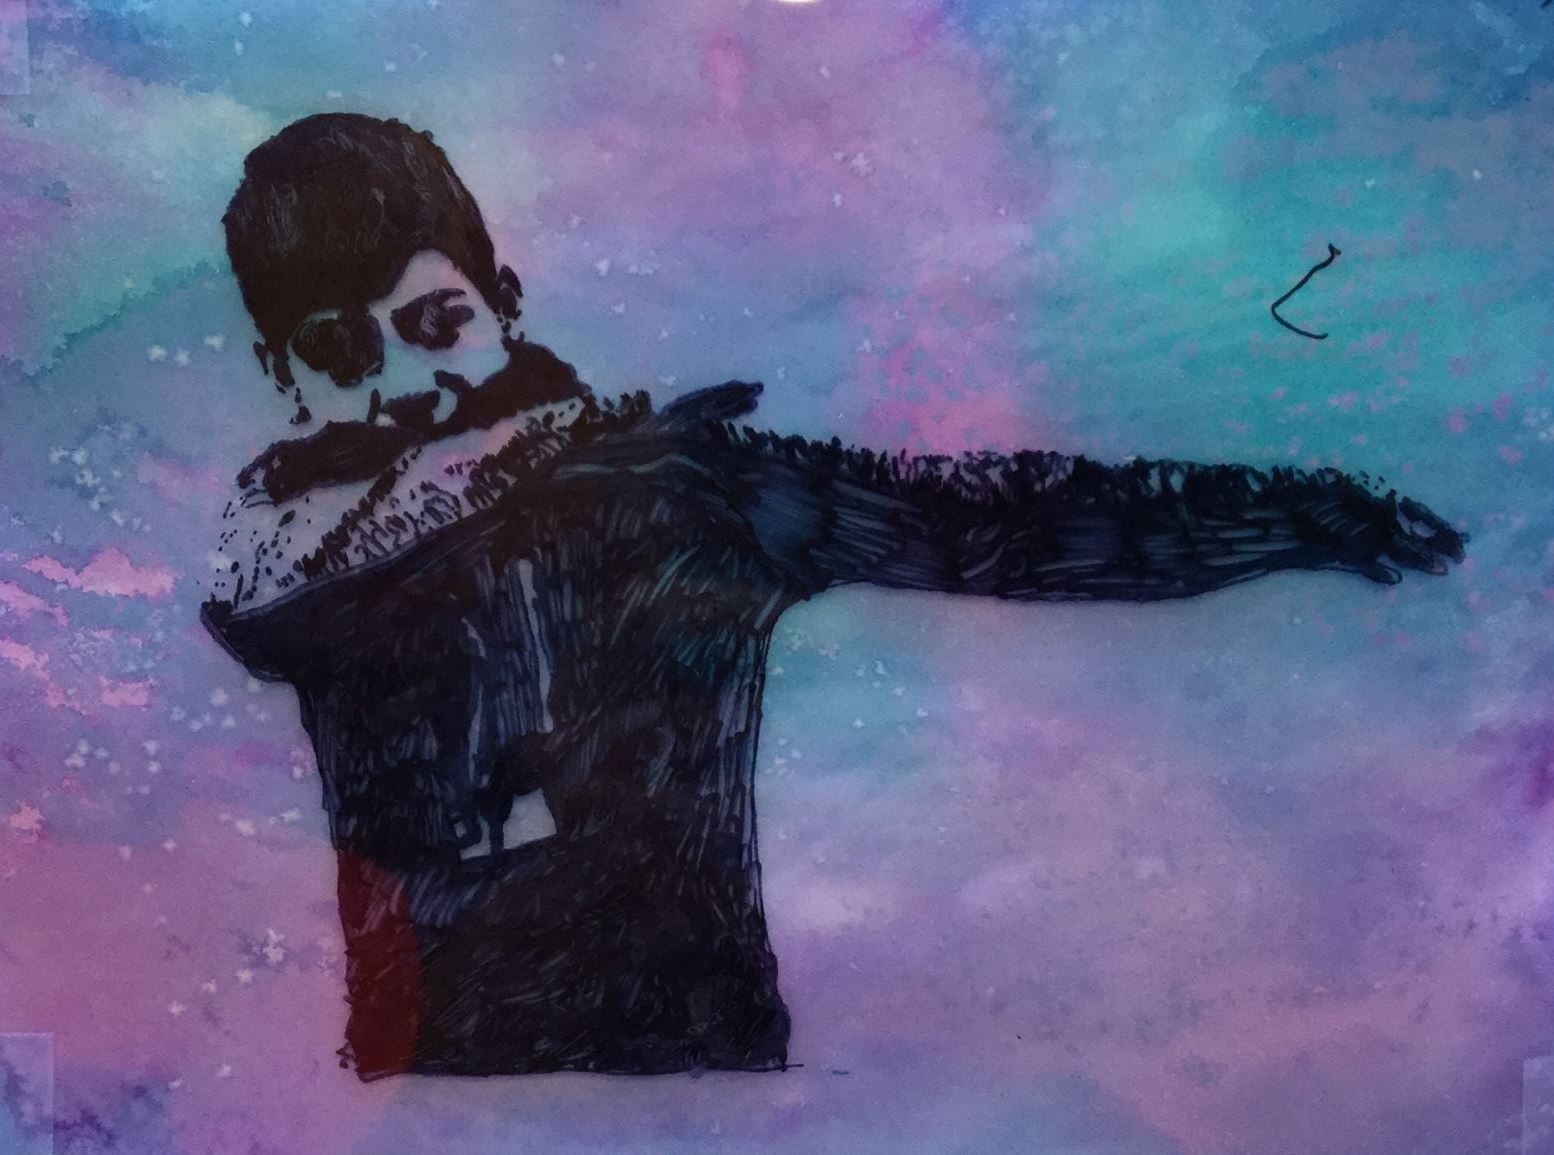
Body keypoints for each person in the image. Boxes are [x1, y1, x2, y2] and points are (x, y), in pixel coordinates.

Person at [203, 113, 1467, 1081]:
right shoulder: (312, 585)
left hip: (680, 1086)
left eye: (437, 323)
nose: (406, 385)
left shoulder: (671, 494)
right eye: (342, 349)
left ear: (504, 305)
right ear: (283, 370)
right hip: (443, 1096)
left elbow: (994, 524)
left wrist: (1298, 513)